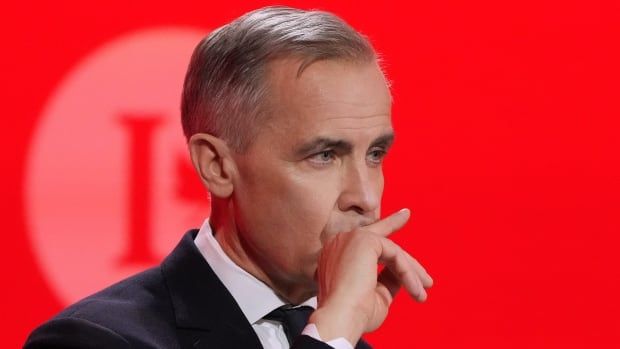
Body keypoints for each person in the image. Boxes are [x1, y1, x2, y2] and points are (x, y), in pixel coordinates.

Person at [24, 6, 433, 349]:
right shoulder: (94, 339)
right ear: (217, 167)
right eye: (324, 155)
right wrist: (334, 331)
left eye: (376, 153)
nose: (365, 197)